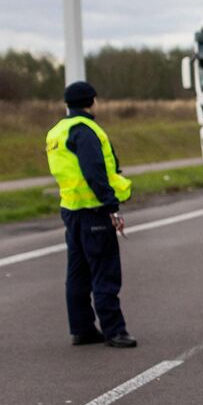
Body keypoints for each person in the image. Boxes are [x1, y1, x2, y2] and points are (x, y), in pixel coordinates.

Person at [45, 81, 137, 348]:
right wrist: (111, 205)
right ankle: (114, 331)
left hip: (71, 209)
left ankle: (82, 329)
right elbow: (94, 172)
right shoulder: (85, 131)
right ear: (91, 101)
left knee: (78, 273)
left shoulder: (58, 131)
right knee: (105, 272)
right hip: (93, 210)